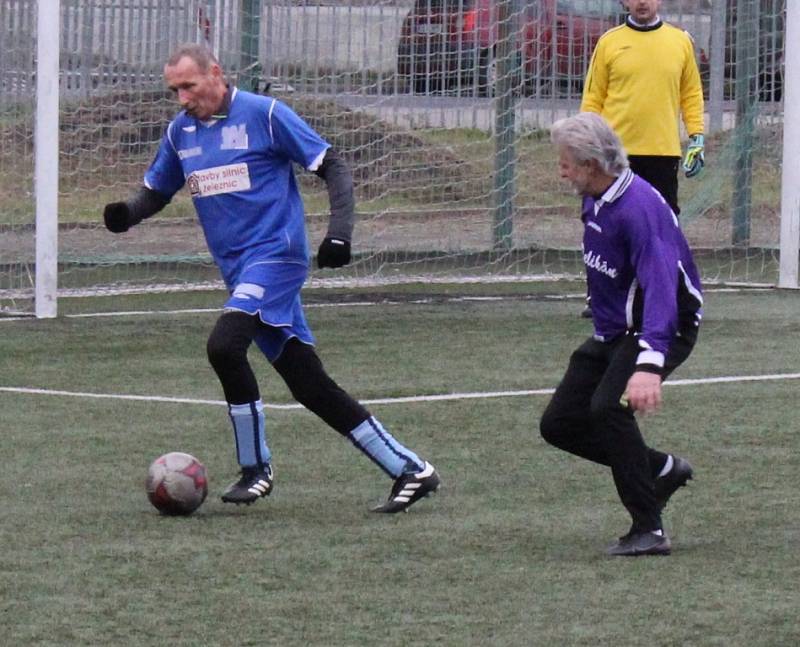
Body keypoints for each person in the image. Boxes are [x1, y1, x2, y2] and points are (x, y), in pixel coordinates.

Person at [102, 44, 439, 513]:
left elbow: (333, 166)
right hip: (239, 271)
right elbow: (157, 190)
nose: (182, 97)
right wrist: (127, 214)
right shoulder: (181, 133)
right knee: (309, 385)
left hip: (277, 258)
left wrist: (338, 235)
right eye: (174, 89)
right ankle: (411, 469)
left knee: (224, 346)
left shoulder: (266, 115)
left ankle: (255, 467)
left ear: (216, 74)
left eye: (189, 86)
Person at [540, 112, 703, 556]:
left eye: (567, 162)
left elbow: (662, 289)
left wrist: (650, 363)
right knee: (559, 424)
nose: (561, 169)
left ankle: (648, 529)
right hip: (617, 330)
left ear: (592, 164)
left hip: (662, 325)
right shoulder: (596, 197)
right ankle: (661, 470)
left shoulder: (640, 209)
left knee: (608, 409)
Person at [579, 0, 705, 317]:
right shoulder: (609, 42)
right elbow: (593, 97)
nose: (642, 2)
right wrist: (585, 143)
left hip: (662, 153)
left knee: (663, 228)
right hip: (615, 154)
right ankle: (600, 298)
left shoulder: (680, 42)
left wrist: (697, 136)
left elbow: (691, 93)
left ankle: (665, 297)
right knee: (607, 226)